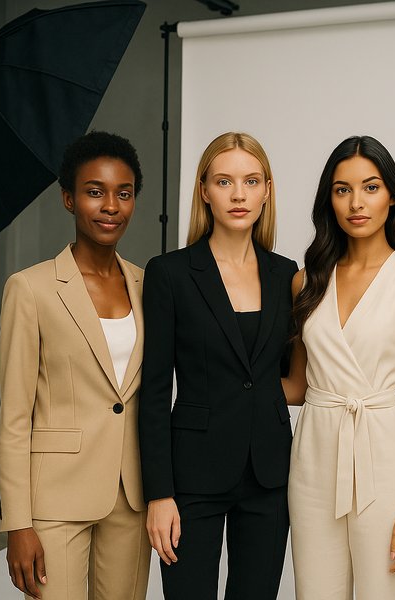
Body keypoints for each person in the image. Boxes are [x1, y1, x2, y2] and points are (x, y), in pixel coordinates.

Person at [283, 135, 395, 599]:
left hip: (385, 457)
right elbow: (297, 384)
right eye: (342, 189)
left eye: (370, 187)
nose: (356, 203)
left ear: (392, 195)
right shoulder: (305, 282)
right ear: (328, 199)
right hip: (313, 457)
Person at [139, 132, 297, 599]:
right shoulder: (169, 273)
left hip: (268, 473)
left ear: (267, 189)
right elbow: (152, 392)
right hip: (192, 478)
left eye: (250, 181)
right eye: (224, 181)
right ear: (204, 190)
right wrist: (159, 493)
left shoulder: (286, 273)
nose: (238, 194)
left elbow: (286, 377)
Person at [0, 131, 149, 599]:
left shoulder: (148, 285)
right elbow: (14, 418)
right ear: (68, 199)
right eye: (94, 192)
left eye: (123, 194)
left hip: (131, 493)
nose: (110, 206)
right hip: (56, 498)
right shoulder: (31, 288)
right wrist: (17, 523)